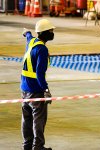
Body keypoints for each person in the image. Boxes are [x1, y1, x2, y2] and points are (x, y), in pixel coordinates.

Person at [21, 19, 55, 150]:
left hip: (24, 88)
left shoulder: (32, 42)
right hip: (36, 89)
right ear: (45, 33)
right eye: (51, 31)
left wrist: (27, 33)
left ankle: (27, 145)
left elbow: (28, 36)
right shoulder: (42, 49)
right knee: (38, 120)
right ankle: (38, 146)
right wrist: (45, 90)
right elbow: (40, 73)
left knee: (26, 119)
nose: (53, 33)